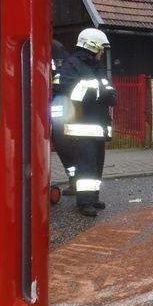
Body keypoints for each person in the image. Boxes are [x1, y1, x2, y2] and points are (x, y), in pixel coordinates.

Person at [57, 28, 115, 217]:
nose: (102, 53)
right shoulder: (72, 65)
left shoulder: (95, 67)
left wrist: (107, 94)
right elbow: (68, 90)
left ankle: (93, 197)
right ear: (92, 46)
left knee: (97, 163)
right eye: (101, 49)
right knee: (86, 164)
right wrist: (100, 93)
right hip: (82, 127)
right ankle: (84, 202)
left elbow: (109, 91)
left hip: (97, 125)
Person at [50, 39, 78, 196]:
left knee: (62, 143)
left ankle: (75, 179)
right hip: (42, 103)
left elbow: (62, 79)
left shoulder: (55, 47)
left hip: (56, 103)